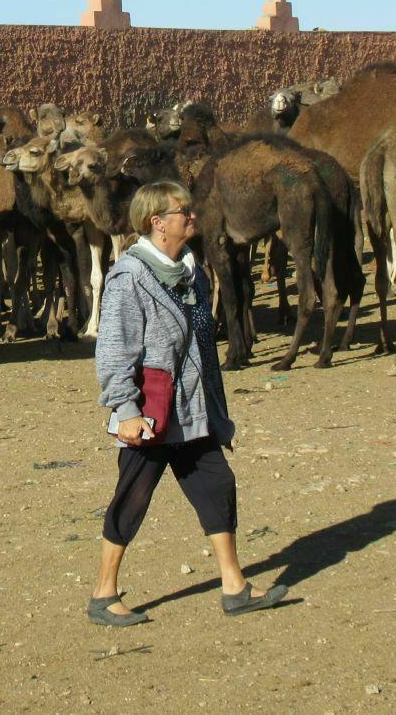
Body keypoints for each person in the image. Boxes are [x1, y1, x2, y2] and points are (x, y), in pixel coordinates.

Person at [87, 180, 288, 626]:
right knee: (132, 497)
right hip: (152, 414)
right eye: (184, 211)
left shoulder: (191, 271)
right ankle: (103, 595)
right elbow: (115, 350)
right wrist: (126, 411)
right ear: (158, 223)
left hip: (192, 411)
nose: (193, 217)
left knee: (217, 486)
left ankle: (234, 586)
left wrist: (217, 412)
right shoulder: (129, 277)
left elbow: (202, 351)